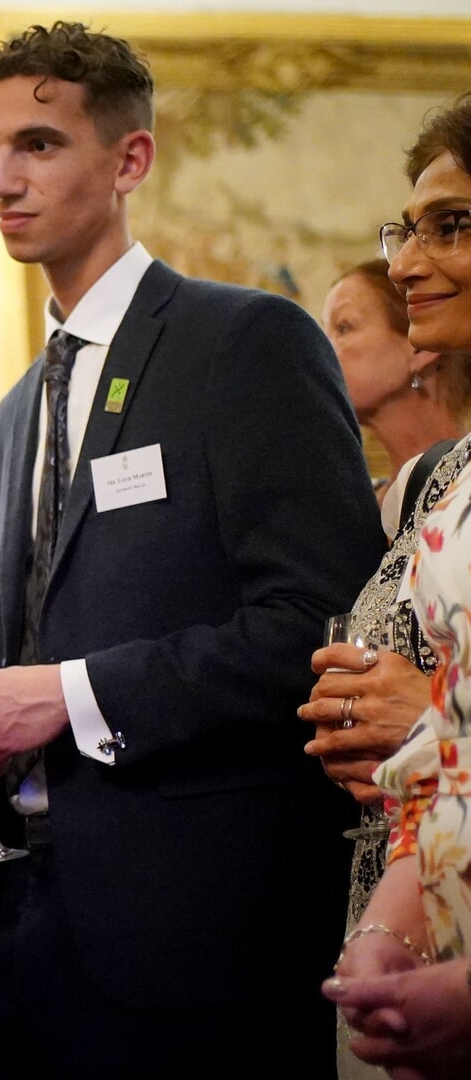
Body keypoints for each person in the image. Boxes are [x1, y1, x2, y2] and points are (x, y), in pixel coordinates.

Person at [0, 22, 380, 1077]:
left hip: (200, 935)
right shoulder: (19, 409)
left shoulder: (245, 344)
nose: (1, 180)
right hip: (20, 922)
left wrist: (69, 696)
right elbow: (37, 642)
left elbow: (321, 628)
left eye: (38, 144)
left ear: (130, 161)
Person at [327, 92, 471, 1076]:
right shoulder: (446, 489)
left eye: (450, 226)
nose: (408, 263)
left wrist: (422, 715)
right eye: (408, 230)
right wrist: (384, 933)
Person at [323, 258, 468, 480]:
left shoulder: (464, 485)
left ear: (421, 348)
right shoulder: (363, 496)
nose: (322, 348)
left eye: (344, 327)